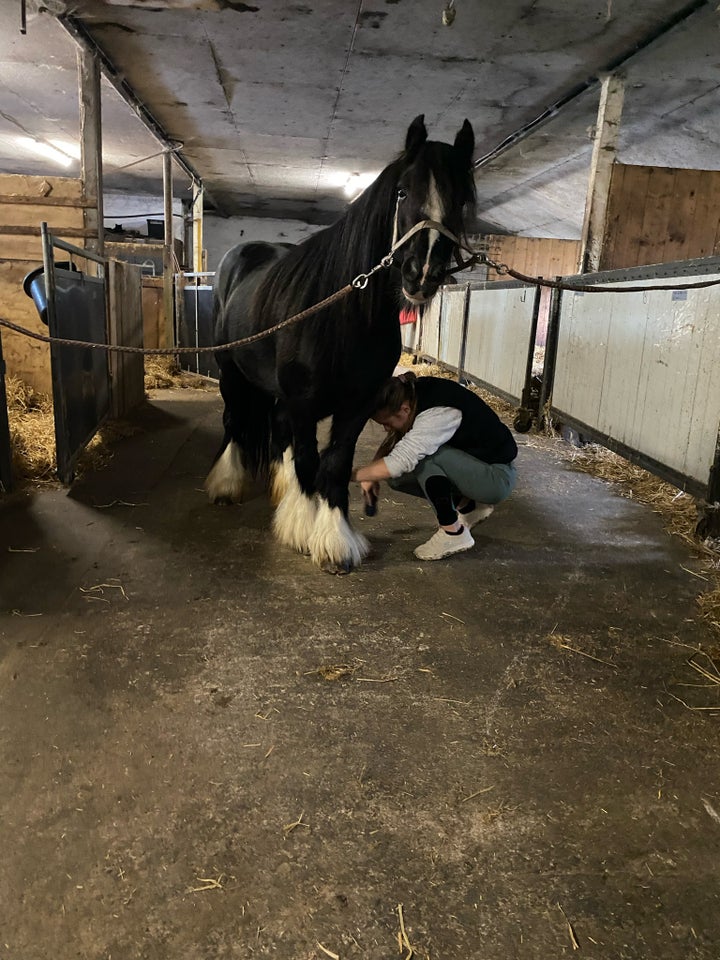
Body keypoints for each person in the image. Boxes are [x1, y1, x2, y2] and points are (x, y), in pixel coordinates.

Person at [351, 371, 518, 560]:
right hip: (479, 466)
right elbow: (399, 439)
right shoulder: (412, 392)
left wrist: (350, 475)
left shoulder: (437, 413)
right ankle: (468, 506)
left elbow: (401, 460)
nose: (386, 429)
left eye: (387, 423)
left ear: (404, 409)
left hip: (495, 478)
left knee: (426, 459)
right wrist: (372, 469)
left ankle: (453, 533)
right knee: (396, 477)